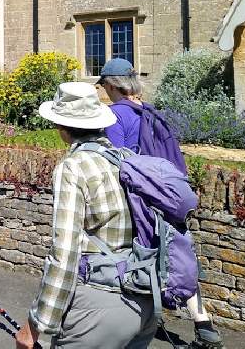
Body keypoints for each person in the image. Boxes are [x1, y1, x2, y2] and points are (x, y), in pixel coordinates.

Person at [15, 82, 156, 349]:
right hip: (144, 302)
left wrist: (36, 326)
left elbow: (65, 254)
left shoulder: (74, 167)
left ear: (62, 127)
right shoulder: (124, 158)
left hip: (98, 309)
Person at [98, 58, 223, 349]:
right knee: (176, 254)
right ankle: (204, 325)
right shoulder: (149, 111)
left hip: (140, 197)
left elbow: (117, 160)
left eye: (104, 85)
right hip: (166, 194)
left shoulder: (114, 115)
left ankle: (142, 318)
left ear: (113, 85)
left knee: (140, 256)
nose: (103, 90)